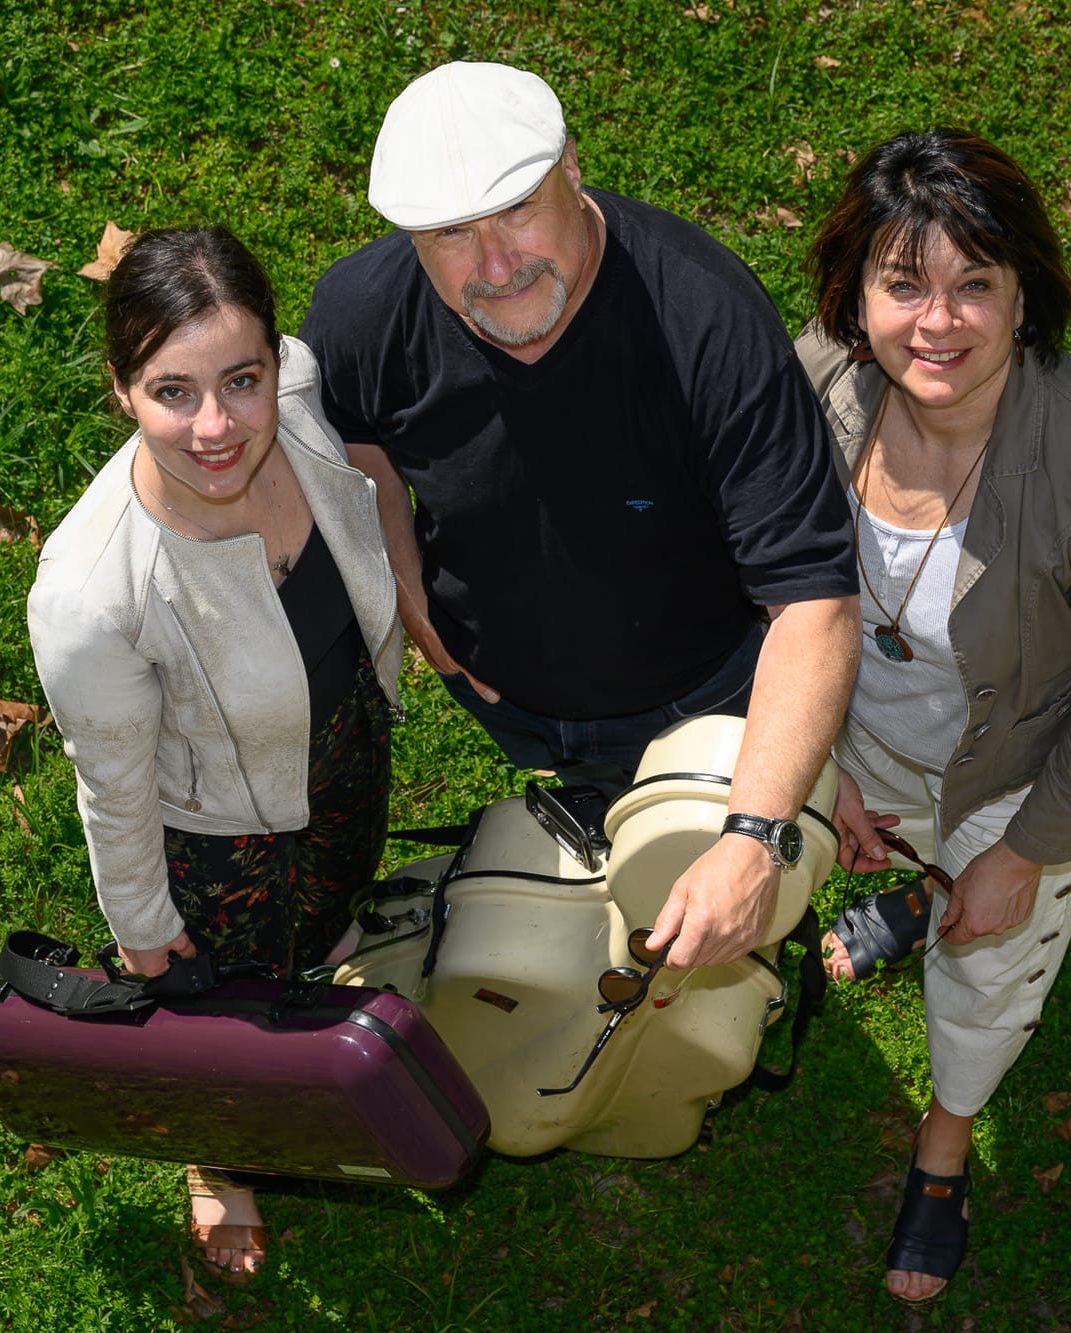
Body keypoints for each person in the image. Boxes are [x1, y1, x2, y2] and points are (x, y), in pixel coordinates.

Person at [301, 62, 861, 971]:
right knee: (608, 833)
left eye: (518, 208)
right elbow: (354, 433)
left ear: (571, 165)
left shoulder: (707, 322)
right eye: (449, 234)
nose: (496, 266)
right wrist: (403, 578)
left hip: (695, 693)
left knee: (712, 902)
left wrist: (755, 836)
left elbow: (813, 600)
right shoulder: (361, 313)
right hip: (501, 689)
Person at [797, 130, 1071, 1303]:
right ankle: (915, 892)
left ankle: (944, 1141)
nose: (937, 323)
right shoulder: (815, 382)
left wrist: (1021, 853)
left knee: (989, 965)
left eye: (973, 282)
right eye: (902, 283)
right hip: (855, 736)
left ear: (1025, 293)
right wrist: (821, 765)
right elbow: (765, 578)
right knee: (884, 863)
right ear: (853, 294)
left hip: (1015, 774)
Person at [27, 226, 402, 1282]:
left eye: (241, 379)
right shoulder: (90, 596)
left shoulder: (300, 401)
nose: (216, 426)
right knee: (226, 1010)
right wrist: (145, 929)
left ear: (276, 362)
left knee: (331, 904)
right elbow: (113, 791)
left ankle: (322, 958)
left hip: (343, 745)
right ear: (120, 391)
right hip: (222, 837)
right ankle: (220, 1157)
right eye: (172, 392)